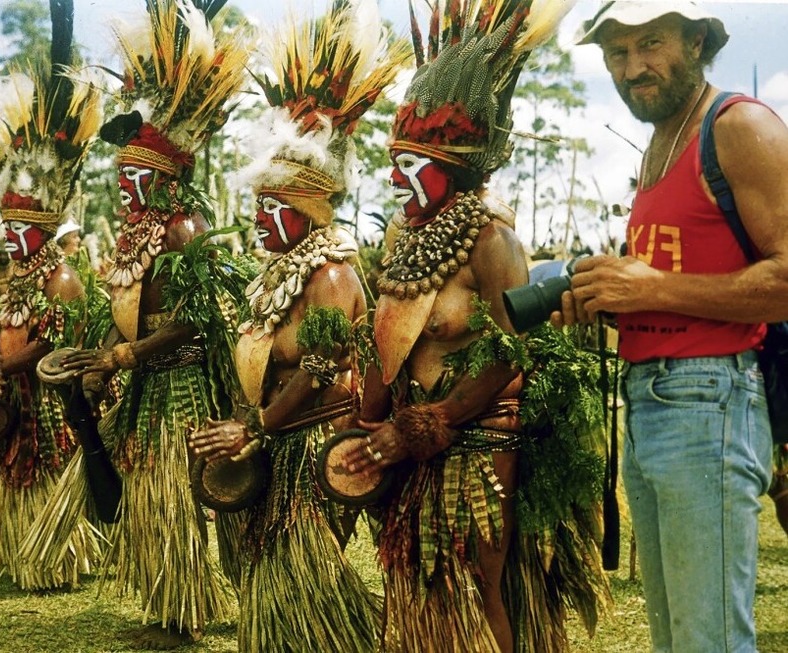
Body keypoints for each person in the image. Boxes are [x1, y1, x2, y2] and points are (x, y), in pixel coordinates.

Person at [340, 3, 608, 651]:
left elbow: (510, 355)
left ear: (453, 166)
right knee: (411, 574)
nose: (396, 177)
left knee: (471, 579)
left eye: (411, 165)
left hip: (480, 442)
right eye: (394, 162)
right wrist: (374, 420)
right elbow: (389, 340)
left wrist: (432, 422)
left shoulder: (493, 241)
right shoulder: (407, 238)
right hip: (410, 440)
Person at [557, 3, 788, 651]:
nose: (634, 68)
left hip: (709, 401)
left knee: (706, 638)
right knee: (677, 639)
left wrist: (653, 287)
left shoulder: (739, 126)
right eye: (617, 54)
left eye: (651, 44)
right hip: (651, 403)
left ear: (696, 41)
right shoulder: (664, 140)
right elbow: (681, 282)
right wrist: (608, 297)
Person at [188, 2, 406, 650]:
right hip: (273, 435)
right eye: (257, 205)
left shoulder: (330, 277)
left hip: (312, 444)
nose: (258, 219)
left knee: (295, 571)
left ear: (306, 209)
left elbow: (317, 375)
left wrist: (254, 425)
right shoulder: (281, 269)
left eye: (270, 207)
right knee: (261, 571)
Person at [58, 1, 247, 647]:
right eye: (122, 175)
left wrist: (125, 357)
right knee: (148, 488)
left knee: (177, 490)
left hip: (181, 388)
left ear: (164, 178)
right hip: (142, 382)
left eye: (135, 176)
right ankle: (168, 601)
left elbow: (195, 321)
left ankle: (187, 607)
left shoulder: (185, 230)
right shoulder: (139, 232)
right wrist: (102, 354)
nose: (125, 187)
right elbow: (127, 306)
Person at [0, 16, 102, 589]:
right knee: (18, 470)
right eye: (7, 228)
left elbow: (57, 344)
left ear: (44, 227)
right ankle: (27, 554)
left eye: (21, 230)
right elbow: (10, 329)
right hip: (15, 395)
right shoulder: (19, 276)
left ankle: (61, 556)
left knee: (47, 465)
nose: (11, 239)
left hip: (49, 402)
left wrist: (1, 363)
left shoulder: (60, 276)